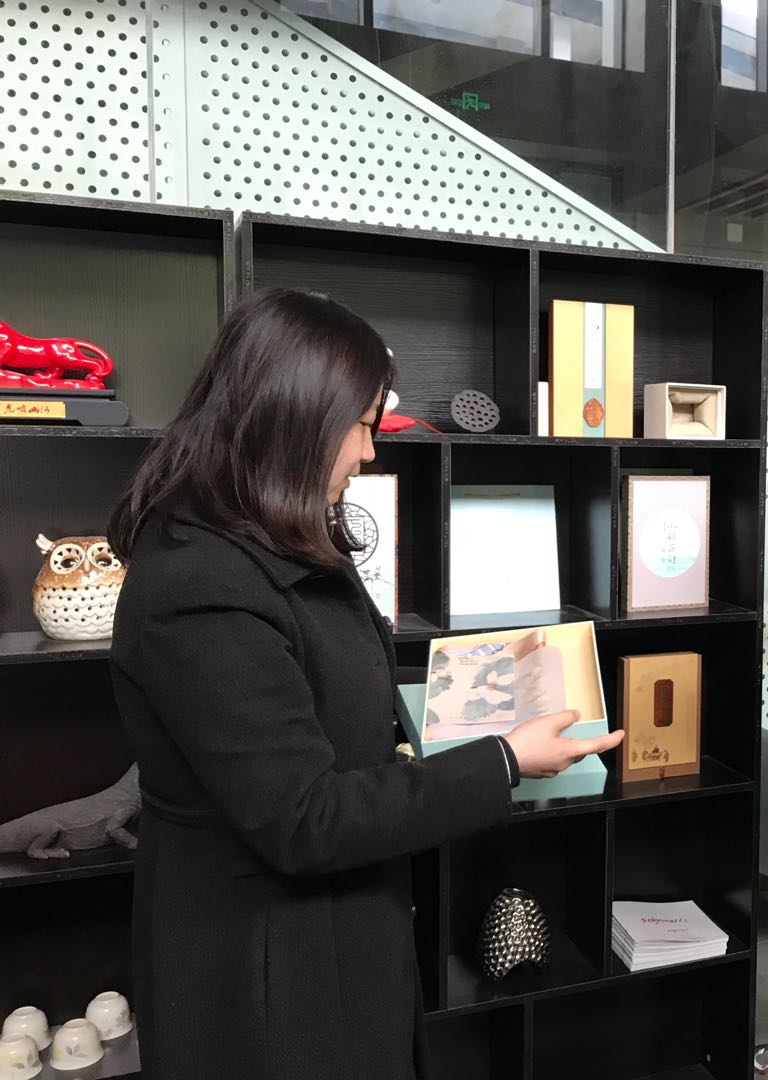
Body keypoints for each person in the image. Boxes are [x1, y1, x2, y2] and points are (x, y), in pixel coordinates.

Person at [106, 289, 624, 1080]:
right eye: (361, 425)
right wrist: (505, 760)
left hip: (332, 937)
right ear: (296, 418)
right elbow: (303, 818)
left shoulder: (268, 535)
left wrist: (478, 683)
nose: (369, 453)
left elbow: (323, 686)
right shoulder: (200, 582)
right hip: (266, 974)